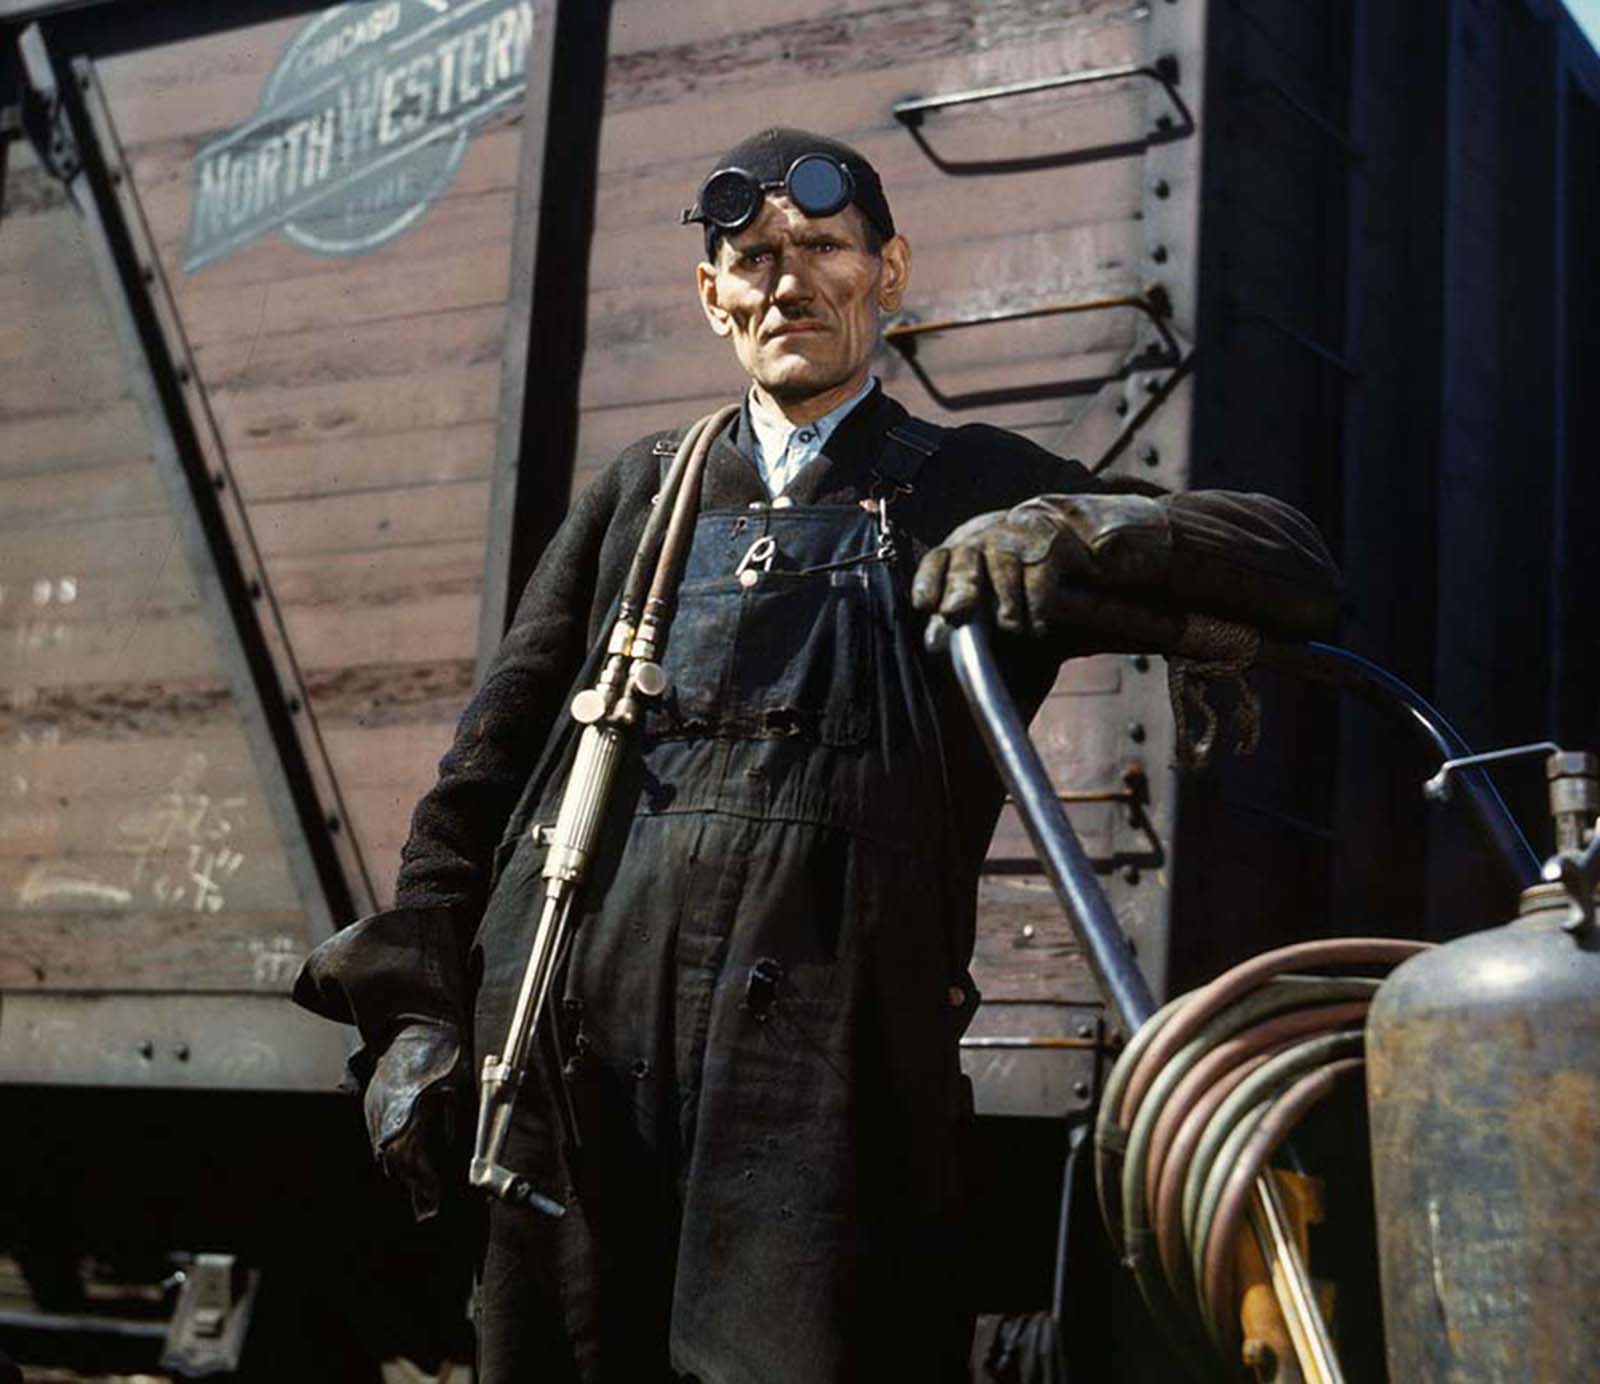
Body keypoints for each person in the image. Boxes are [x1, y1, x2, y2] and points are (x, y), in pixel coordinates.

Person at [294, 128, 1341, 1383]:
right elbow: (483, 774)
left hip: (823, 1106)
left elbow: (1287, 561)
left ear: (887, 271)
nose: (787, 283)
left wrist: (1079, 532)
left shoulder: (972, 486)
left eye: (823, 249)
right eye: (753, 260)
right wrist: (419, 1016)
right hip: (580, 1087)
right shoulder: (643, 496)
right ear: (712, 297)